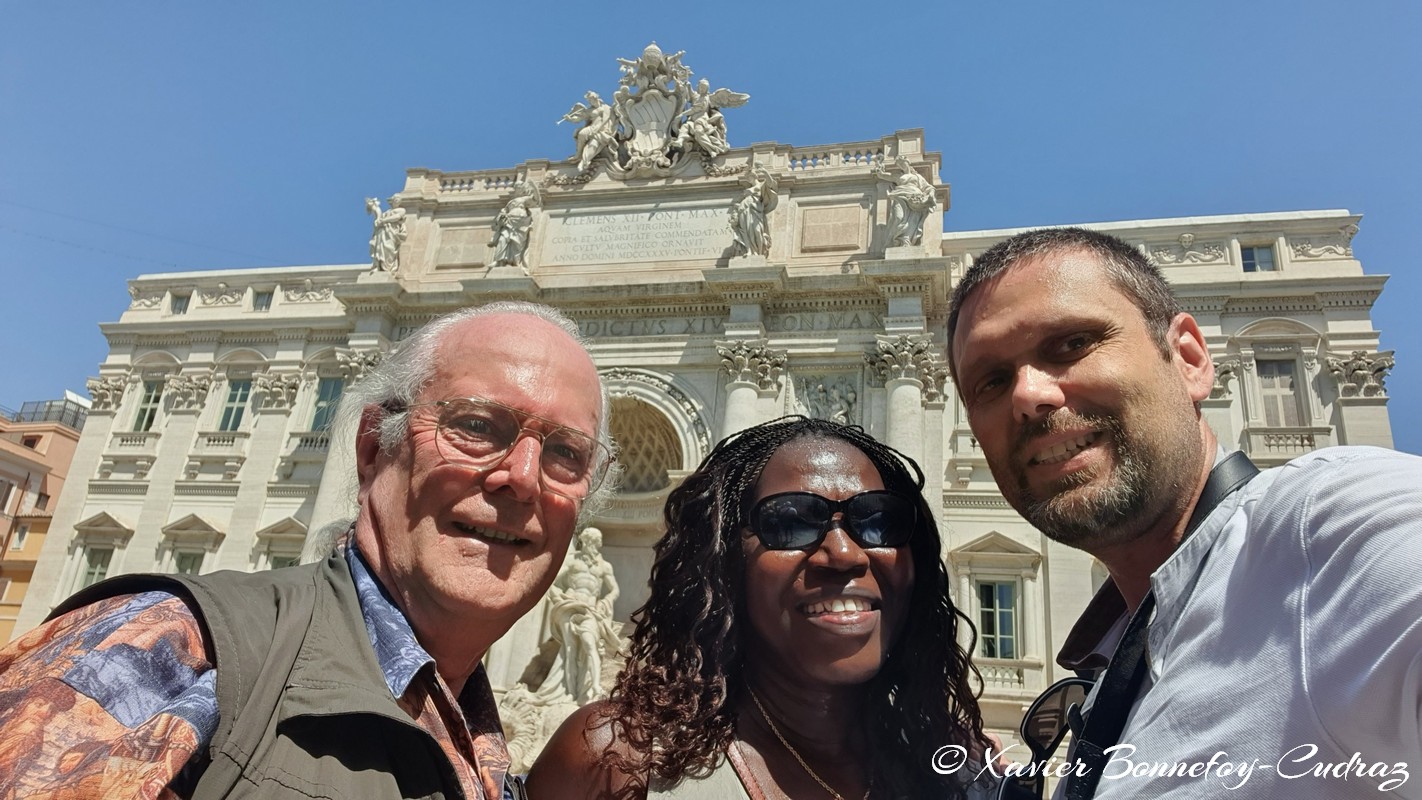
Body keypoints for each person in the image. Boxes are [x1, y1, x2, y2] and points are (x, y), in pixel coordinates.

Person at [0, 300, 617, 799]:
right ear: (374, 447)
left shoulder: (473, 732)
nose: (524, 476)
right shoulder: (171, 655)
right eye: (477, 426)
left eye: (566, 453)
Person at [947, 227, 1422, 798]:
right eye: (991, 381)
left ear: (1191, 360)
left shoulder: (1331, 525)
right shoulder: (1117, 662)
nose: (1029, 396)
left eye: (1071, 344)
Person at [527, 416, 994, 799]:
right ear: (723, 561)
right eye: (790, 522)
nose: (847, 554)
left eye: (879, 521)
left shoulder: (961, 773)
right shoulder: (615, 760)